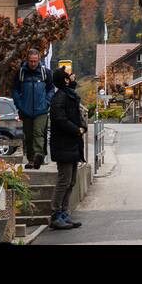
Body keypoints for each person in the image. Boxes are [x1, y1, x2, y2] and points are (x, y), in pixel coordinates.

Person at [48, 66, 86, 230]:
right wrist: (76, 129)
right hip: (63, 144)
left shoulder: (69, 95)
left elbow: (77, 115)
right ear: (64, 80)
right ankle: (56, 214)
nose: (73, 77)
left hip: (72, 144)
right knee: (64, 181)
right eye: (69, 76)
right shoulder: (60, 98)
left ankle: (64, 212)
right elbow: (60, 119)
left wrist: (83, 126)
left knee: (71, 181)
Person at [12, 49, 54, 168]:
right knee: (28, 136)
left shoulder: (46, 73)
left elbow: (51, 89)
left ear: (39, 60)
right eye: (31, 61)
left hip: (41, 110)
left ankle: (38, 156)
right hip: (26, 110)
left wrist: (46, 102)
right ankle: (31, 159)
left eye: (35, 61)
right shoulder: (21, 73)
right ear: (27, 60)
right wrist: (20, 105)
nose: (33, 64)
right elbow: (15, 90)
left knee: (38, 133)